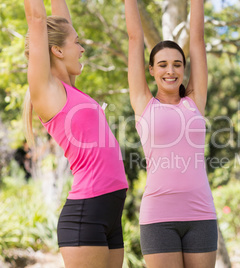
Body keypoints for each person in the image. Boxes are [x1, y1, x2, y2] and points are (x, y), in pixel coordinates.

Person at [23, 0, 128, 267]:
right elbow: (37, 18)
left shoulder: (73, 90)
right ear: (57, 50)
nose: (82, 49)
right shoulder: (48, 91)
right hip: (87, 213)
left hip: (110, 212)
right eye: (77, 42)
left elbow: (62, 18)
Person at [124, 0, 217, 267]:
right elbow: (134, 39)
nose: (170, 70)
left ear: (184, 69)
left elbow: (197, 40)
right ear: (151, 70)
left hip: (201, 214)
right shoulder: (143, 103)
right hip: (158, 217)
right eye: (162, 64)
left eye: (177, 64)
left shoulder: (195, 101)